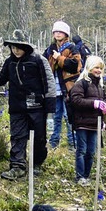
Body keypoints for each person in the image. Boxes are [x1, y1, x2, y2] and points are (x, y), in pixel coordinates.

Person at [0, 29, 56, 180]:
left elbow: (49, 83)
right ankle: (17, 166)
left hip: (37, 106)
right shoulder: (9, 62)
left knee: (39, 138)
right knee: (17, 136)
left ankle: (36, 163)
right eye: (13, 47)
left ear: (25, 46)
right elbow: (1, 80)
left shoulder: (38, 60)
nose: (16, 51)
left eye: (18, 47)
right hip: (17, 107)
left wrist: (50, 110)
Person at [69, 56, 106, 185]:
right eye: (96, 67)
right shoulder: (81, 83)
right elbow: (75, 100)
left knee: (91, 151)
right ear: (90, 68)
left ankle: (86, 175)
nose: (98, 70)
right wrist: (95, 104)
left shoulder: (100, 85)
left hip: (95, 124)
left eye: (100, 68)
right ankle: (80, 176)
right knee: (82, 150)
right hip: (82, 123)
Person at [43, 21, 82, 150]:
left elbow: (75, 66)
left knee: (69, 116)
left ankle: (72, 143)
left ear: (66, 34)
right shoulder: (50, 49)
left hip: (68, 88)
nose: (57, 34)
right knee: (55, 116)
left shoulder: (72, 48)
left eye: (60, 31)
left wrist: (59, 58)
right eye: (55, 31)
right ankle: (53, 143)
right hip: (54, 89)